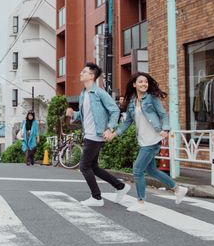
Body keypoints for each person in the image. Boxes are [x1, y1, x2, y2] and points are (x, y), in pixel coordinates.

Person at [108, 72, 188, 212]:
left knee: (137, 170)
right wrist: (115, 134)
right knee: (151, 170)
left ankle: (141, 202)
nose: (144, 84)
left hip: (152, 139)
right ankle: (178, 189)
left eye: (145, 82)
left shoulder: (151, 98)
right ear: (134, 84)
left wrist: (165, 129)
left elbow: (163, 114)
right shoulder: (132, 102)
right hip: (143, 140)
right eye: (140, 82)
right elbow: (127, 122)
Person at [66, 62, 131, 206]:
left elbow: (114, 110)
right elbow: (85, 115)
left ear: (92, 75)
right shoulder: (84, 94)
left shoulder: (99, 92)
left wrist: (109, 128)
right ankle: (120, 186)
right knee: (93, 167)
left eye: (84, 72)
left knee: (84, 166)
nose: (81, 73)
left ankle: (96, 197)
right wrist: (73, 114)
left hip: (96, 135)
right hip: (89, 133)